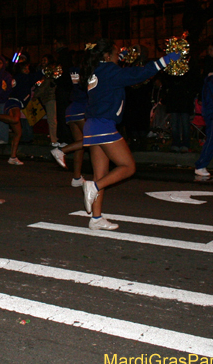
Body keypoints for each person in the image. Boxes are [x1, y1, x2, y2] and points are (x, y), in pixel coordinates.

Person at [79, 40, 180, 231]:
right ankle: (93, 187)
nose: (119, 58)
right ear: (108, 56)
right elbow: (138, 74)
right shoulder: (109, 70)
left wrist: (123, 55)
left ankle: (96, 218)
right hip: (103, 125)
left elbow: (114, 72)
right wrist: (163, 61)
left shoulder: (96, 71)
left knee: (101, 173)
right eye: (117, 55)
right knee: (128, 166)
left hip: (92, 125)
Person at [0, 58, 34, 165]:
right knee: (15, 119)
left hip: (12, 102)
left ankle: (12, 157)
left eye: (28, 68)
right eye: (26, 68)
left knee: (18, 133)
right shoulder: (21, 77)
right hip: (13, 103)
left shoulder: (15, 77)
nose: (28, 70)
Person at [50, 50, 88, 186]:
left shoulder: (73, 70)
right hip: (81, 108)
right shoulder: (86, 72)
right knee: (92, 139)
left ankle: (76, 178)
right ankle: (61, 151)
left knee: (80, 144)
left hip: (71, 109)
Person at [33, 54, 63, 148]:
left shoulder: (50, 72)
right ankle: (53, 139)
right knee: (51, 119)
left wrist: (36, 94)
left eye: (45, 60)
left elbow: (46, 85)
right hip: (46, 98)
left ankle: (54, 139)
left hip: (50, 97)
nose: (43, 62)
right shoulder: (41, 73)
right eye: (42, 60)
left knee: (52, 119)